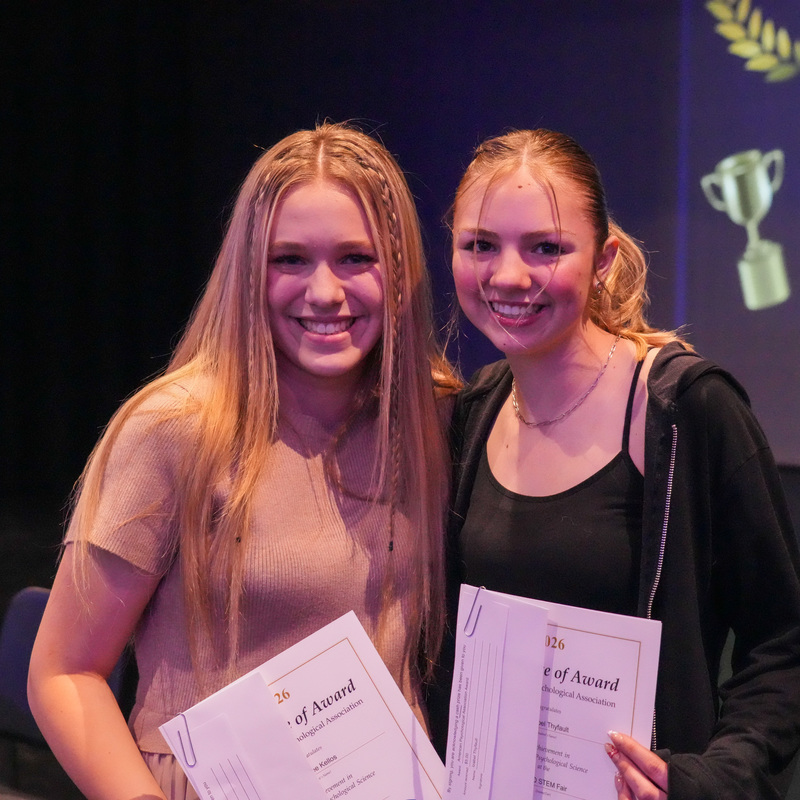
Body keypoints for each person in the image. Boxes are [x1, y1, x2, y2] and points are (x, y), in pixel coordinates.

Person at [28, 122, 459, 800]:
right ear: (248, 270)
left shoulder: (433, 422)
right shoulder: (174, 430)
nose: (324, 291)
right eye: (290, 259)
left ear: (401, 271)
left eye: (356, 258)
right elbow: (62, 673)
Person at [437, 128, 800, 799]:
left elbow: (784, 645)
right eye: (481, 245)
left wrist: (711, 778)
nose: (509, 276)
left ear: (602, 260)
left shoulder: (689, 410)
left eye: (546, 248)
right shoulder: (471, 413)